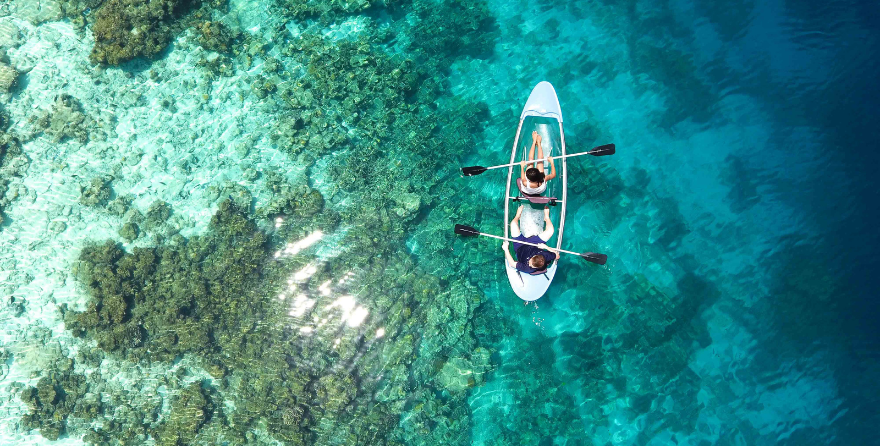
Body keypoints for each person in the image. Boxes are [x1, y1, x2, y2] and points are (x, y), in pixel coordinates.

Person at [501, 204, 559, 274]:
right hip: (534, 244)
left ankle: (518, 215)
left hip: (519, 247)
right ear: (535, 256)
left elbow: (512, 263)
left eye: (531, 265)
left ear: (536, 267)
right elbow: (557, 256)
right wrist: (546, 247)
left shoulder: (528, 268)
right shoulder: (545, 255)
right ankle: (546, 217)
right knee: (550, 231)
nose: (529, 264)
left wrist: (506, 249)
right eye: (530, 262)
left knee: (513, 224)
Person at [519, 131, 557, 197]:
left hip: (528, 190)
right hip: (540, 190)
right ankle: (539, 143)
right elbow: (553, 175)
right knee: (540, 161)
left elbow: (522, 177)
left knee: (530, 162)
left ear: (528, 178)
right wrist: (551, 162)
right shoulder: (543, 179)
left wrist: (522, 167)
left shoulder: (525, 182)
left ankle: (534, 142)